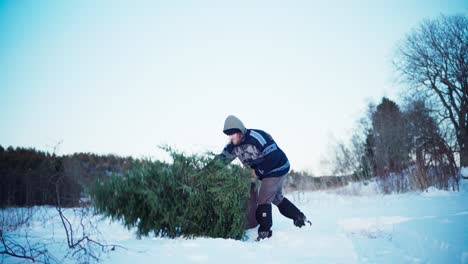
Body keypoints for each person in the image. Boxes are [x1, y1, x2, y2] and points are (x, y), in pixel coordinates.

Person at [218, 115, 311, 241]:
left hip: (277, 166)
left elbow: (274, 156)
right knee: (277, 198)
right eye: (228, 134)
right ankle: (299, 217)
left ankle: (264, 232)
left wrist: (258, 172)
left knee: (263, 199)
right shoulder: (233, 146)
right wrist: (204, 172)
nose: (230, 137)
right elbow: (220, 160)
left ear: (240, 131)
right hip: (264, 171)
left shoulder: (257, 137)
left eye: (232, 133)